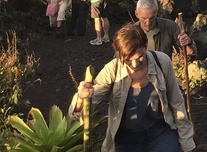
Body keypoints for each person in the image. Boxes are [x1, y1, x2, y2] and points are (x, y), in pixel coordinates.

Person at [69, 22, 196, 152]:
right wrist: (81, 97)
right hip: (125, 139)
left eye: (140, 57)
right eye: (128, 59)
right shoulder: (112, 70)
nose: (135, 64)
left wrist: (187, 142)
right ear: (119, 54)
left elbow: (176, 102)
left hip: (159, 133)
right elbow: (82, 110)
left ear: (145, 46)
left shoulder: (162, 62)